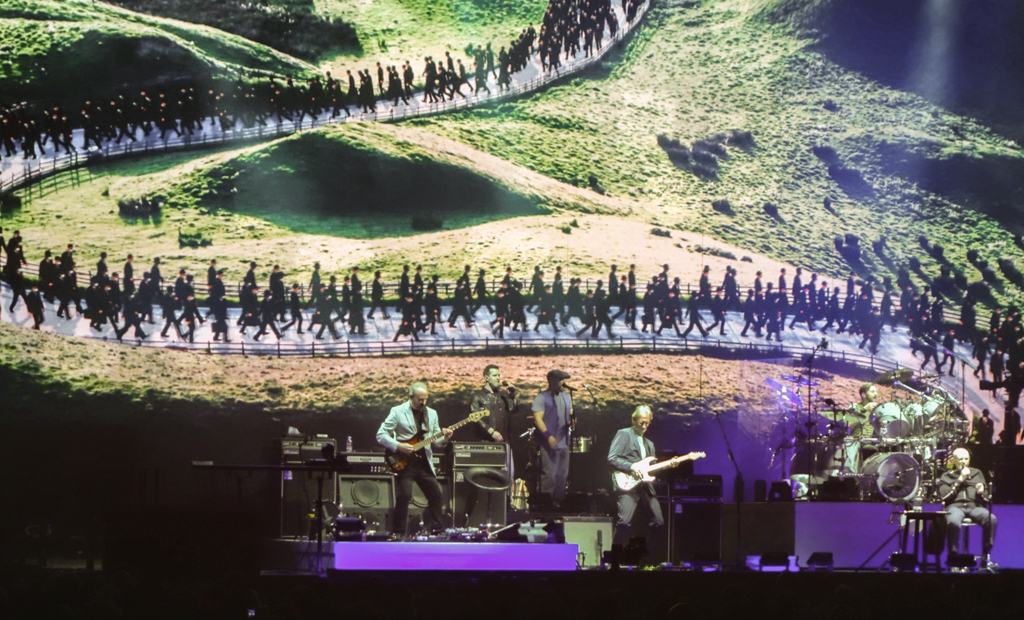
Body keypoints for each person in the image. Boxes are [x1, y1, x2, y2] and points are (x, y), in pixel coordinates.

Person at [376, 382, 453, 537]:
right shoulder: (397, 411)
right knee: (404, 496)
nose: (423, 402)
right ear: (410, 397)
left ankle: (437, 531)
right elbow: (381, 435)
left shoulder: (432, 414)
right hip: (405, 462)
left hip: (424, 463)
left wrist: (444, 438)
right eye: (420, 399)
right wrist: (399, 446)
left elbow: (436, 441)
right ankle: (398, 533)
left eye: (426, 399)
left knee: (436, 496)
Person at [608, 405, 667, 548]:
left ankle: (644, 556)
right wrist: (631, 466)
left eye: (647, 423)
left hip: (645, 487)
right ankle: (614, 556)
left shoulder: (649, 444)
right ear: (634, 420)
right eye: (641, 422)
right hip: (628, 484)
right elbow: (612, 458)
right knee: (624, 523)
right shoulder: (624, 434)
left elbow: (651, 471)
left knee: (658, 523)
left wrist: (668, 465)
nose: (644, 426)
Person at [937, 447, 998, 571]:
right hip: (955, 507)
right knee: (953, 522)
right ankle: (953, 556)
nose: (964, 461)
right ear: (954, 460)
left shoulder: (977, 473)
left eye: (966, 458)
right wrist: (960, 479)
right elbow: (945, 496)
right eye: (960, 459)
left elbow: (986, 498)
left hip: (974, 506)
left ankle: (986, 556)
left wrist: (981, 492)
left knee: (991, 519)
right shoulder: (946, 476)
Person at [532, 369, 573, 507]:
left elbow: (570, 414)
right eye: (560, 380)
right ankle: (546, 504)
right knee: (549, 475)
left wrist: (572, 422)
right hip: (549, 443)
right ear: (551, 381)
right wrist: (548, 436)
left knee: (563, 474)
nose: (563, 383)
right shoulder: (541, 397)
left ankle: (559, 502)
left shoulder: (566, 396)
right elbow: (538, 419)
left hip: (564, 442)